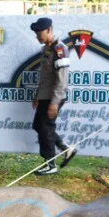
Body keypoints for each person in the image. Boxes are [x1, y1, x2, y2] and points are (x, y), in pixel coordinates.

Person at [30, 17, 77, 175]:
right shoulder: (46, 50)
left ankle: (50, 164)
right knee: (38, 125)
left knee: (45, 127)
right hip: (45, 95)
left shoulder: (60, 49)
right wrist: (38, 95)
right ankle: (66, 148)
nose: (37, 36)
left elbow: (61, 80)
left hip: (54, 96)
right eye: (36, 33)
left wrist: (54, 103)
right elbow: (45, 77)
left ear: (49, 30)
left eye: (39, 33)